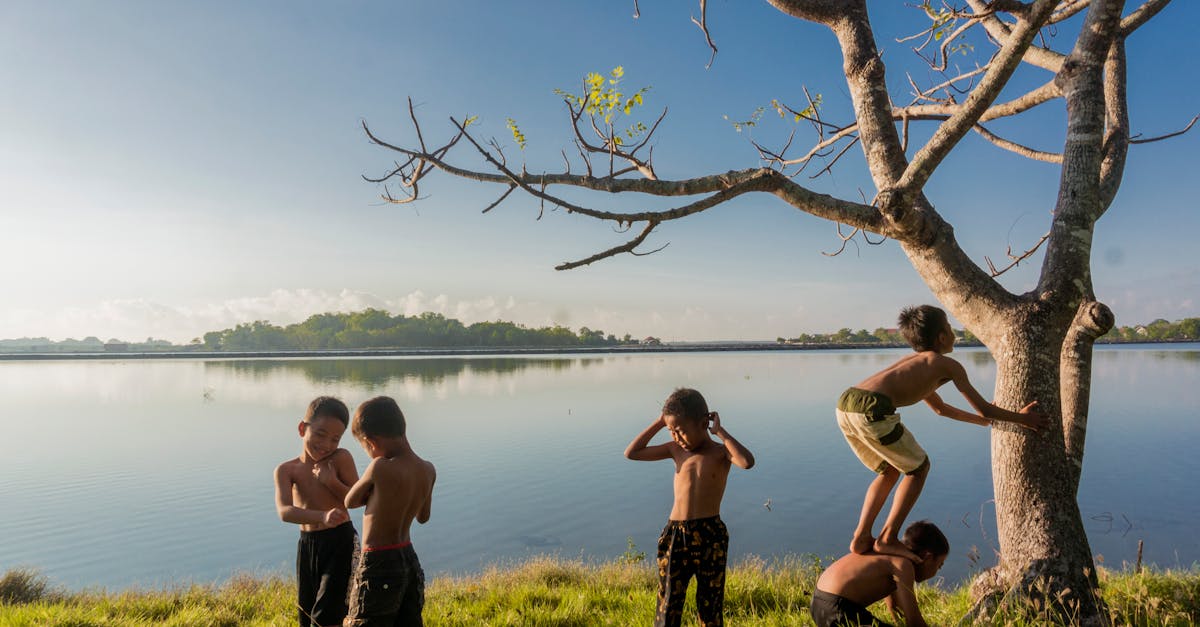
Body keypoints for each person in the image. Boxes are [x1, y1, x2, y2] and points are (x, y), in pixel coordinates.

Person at [837, 304, 1048, 562]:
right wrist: (1023, 419)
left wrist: (984, 423)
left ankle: (861, 537)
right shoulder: (947, 365)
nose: (953, 332)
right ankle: (887, 538)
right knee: (918, 468)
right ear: (941, 337)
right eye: (949, 327)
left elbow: (941, 408)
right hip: (873, 409)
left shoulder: (916, 364)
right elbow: (983, 407)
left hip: (846, 404)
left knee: (890, 470)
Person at [624, 387, 756, 627]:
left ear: (704, 423)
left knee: (710, 602)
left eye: (681, 430)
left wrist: (721, 432)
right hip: (676, 535)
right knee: (668, 601)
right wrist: (660, 422)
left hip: (711, 534)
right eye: (671, 431)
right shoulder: (674, 450)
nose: (676, 437)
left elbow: (746, 462)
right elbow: (632, 453)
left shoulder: (721, 452)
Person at [343, 396, 436, 627]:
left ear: (371, 442)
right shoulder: (427, 469)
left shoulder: (379, 467)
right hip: (408, 558)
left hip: (378, 561)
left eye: (365, 448)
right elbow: (423, 517)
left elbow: (349, 501)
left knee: (365, 621)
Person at [273, 396, 360, 627]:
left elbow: (358, 499)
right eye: (320, 434)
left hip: (341, 542)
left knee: (328, 614)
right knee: (308, 613)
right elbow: (285, 511)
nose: (326, 445)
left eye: (335, 439)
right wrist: (322, 516)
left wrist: (331, 482)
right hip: (308, 545)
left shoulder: (340, 459)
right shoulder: (286, 470)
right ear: (302, 428)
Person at [811, 520, 950, 627]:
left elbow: (894, 607)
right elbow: (914, 622)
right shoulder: (903, 564)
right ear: (927, 557)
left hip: (818, 602)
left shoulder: (887, 555)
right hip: (838, 608)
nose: (938, 570)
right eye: (940, 565)